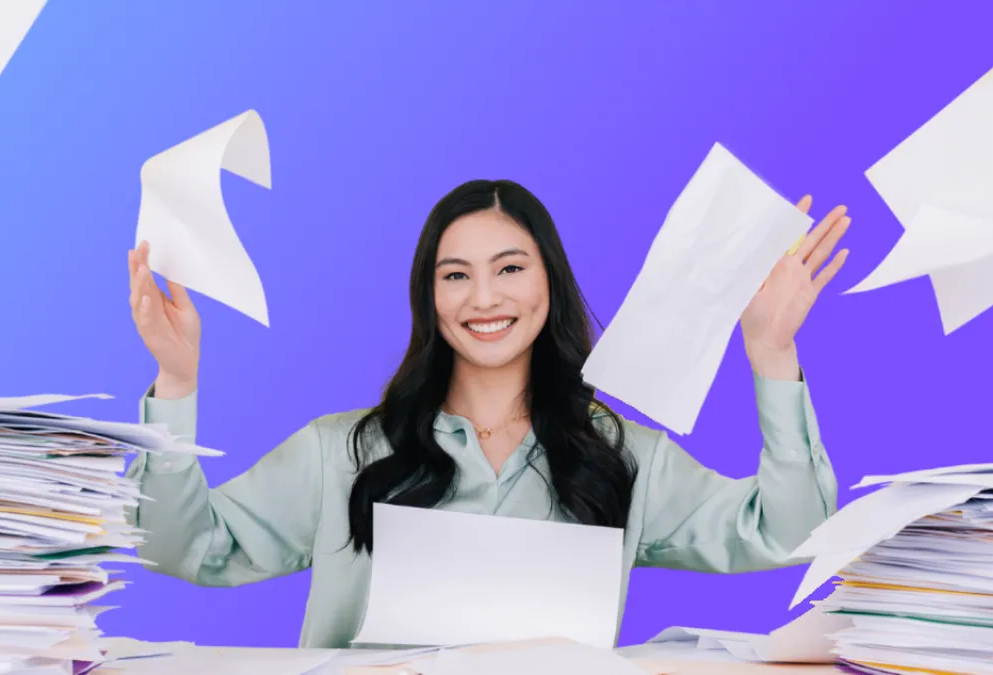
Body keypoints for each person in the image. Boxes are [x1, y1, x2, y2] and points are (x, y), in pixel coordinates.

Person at [124, 179, 850, 649]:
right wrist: (178, 379)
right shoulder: (341, 453)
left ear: (549, 282)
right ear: (429, 297)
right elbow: (183, 547)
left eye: (509, 268)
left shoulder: (623, 458)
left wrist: (771, 351)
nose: (484, 299)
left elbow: (788, 533)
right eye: (456, 276)